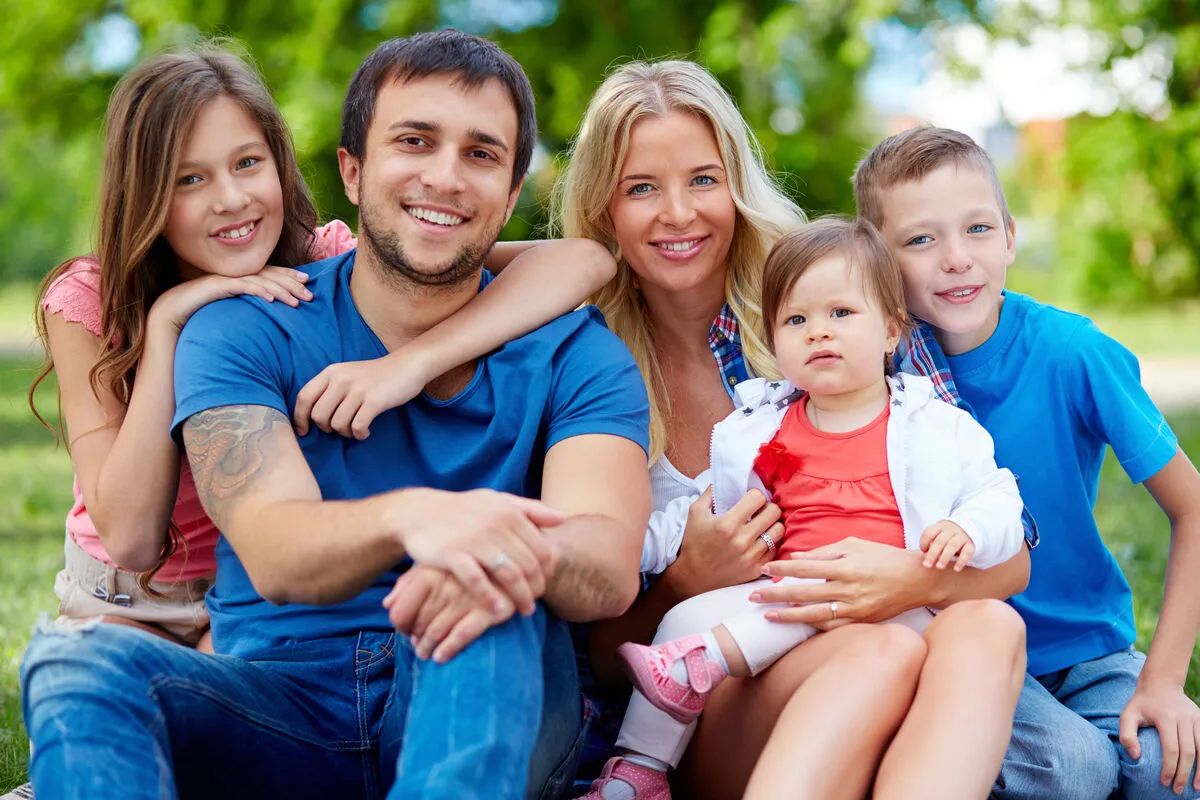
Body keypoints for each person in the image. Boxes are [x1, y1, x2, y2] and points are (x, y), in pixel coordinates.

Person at [20, 29, 650, 799]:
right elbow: (276, 546)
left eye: (482, 155)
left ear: (512, 195)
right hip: (283, 705)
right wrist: (418, 518)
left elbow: (607, 564)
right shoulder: (241, 323)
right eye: (414, 141)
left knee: (486, 594)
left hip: (480, 688)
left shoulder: (577, 354)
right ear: (352, 169)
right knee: (74, 664)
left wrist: (494, 550)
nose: (445, 177)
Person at [549, 60, 1031, 799]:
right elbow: (602, 656)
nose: (678, 212)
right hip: (706, 706)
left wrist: (902, 578)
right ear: (602, 209)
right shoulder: (585, 364)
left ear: (737, 185)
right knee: (875, 656)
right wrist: (683, 579)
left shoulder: (834, 299)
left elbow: (1012, 562)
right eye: (640, 188)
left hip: (895, 643)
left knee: (992, 630)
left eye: (704, 179)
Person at [854, 125, 1200, 800]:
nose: (957, 258)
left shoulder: (1073, 352)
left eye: (978, 229)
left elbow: (1192, 506)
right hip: (953, 652)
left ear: (1011, 236)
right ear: (878, 263)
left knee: (1167, 770)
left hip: (1089, 649)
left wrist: (1162, 682)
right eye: (922, 239)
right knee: (1074, 772)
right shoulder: (877, 375)